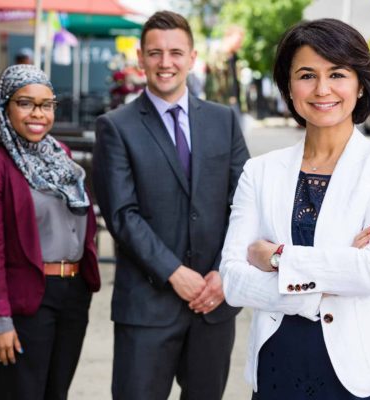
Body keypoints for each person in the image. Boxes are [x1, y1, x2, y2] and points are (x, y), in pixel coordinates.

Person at [220, 18, 370, 399]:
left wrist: (278, 258)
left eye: (338, 74)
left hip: (366, 370)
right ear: (289, 87)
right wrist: (327, 279)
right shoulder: (260, 171)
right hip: (281, 362)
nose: (322, 89)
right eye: (307, 75)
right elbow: (232, 280)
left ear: (360, 85)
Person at [92, 11, 249, 400]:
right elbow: (121, 216)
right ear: (141, 58)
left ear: (192, 57)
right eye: (156, 53)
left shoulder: (223, 121)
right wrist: (174, 273)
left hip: (214, 304)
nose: (166, 63)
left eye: (176, 52)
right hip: (147, 307)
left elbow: (246, 203)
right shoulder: (115, 126)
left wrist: (222, 274)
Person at [0, 64, 101, 399]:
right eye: (25, 103)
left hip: (73, 295)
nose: (37, 113)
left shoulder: (62, 156)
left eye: (46, 104)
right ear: (5, 107)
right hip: (26, 298)